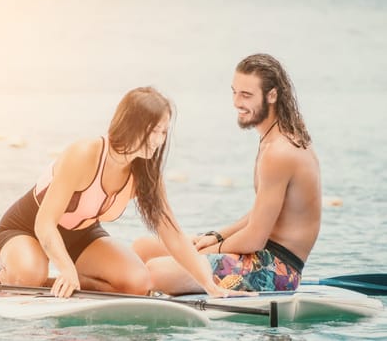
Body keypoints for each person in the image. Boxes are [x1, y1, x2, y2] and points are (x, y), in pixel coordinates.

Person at [0, 86, 251, 299]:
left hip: (81, 236)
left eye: (164, 132)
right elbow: (44, 224)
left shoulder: (145, 175)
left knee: (138, 283)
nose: (160, 139)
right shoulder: (85, 153)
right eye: (155, 130)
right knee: (28, 276)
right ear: (132, 125)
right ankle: (10, 276)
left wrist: (210, 286)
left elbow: (172, 234)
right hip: (26, 229)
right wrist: (66, 267)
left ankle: (55, 282)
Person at [133, 54, 321, 295]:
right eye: (234, 92)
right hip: (260, 254)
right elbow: (261, 213)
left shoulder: (279, 151)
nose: (236, 102)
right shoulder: (273, 139)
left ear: (272, 95)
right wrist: (215, 236)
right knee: (143, 247)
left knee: (155, 271)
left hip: (278, 270)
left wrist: (200, 254)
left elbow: (254, 238)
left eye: (246, 95)